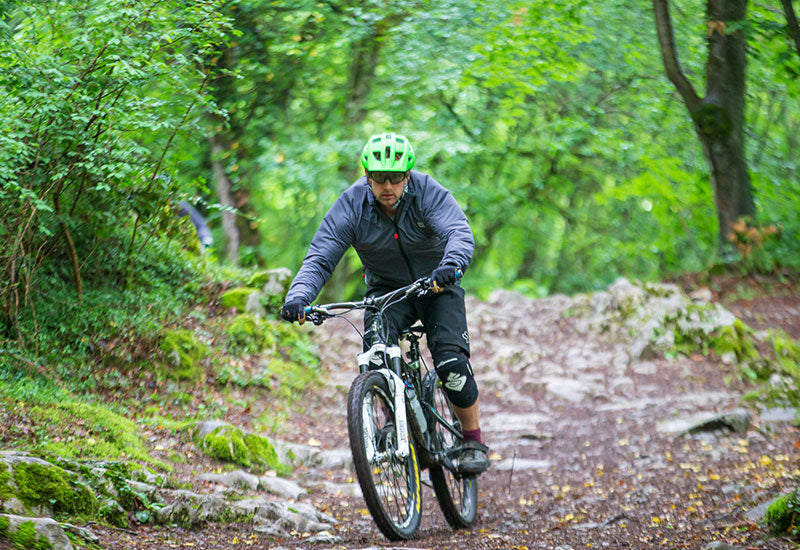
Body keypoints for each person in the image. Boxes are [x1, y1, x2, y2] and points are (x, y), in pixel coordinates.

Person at [281, 132, 488, 475]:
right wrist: (299, 296)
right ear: (367, 175)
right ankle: (394, 421)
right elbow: (320, 256)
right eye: (379, 177)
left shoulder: (426, 192)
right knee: (376, 355)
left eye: (395, 177)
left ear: (407, 175)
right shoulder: (352, 206)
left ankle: (472, 439)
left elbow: (458, 231)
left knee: (451, 364)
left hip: (437, 285)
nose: (387, 186)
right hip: (387, 293)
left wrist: (451, 266)